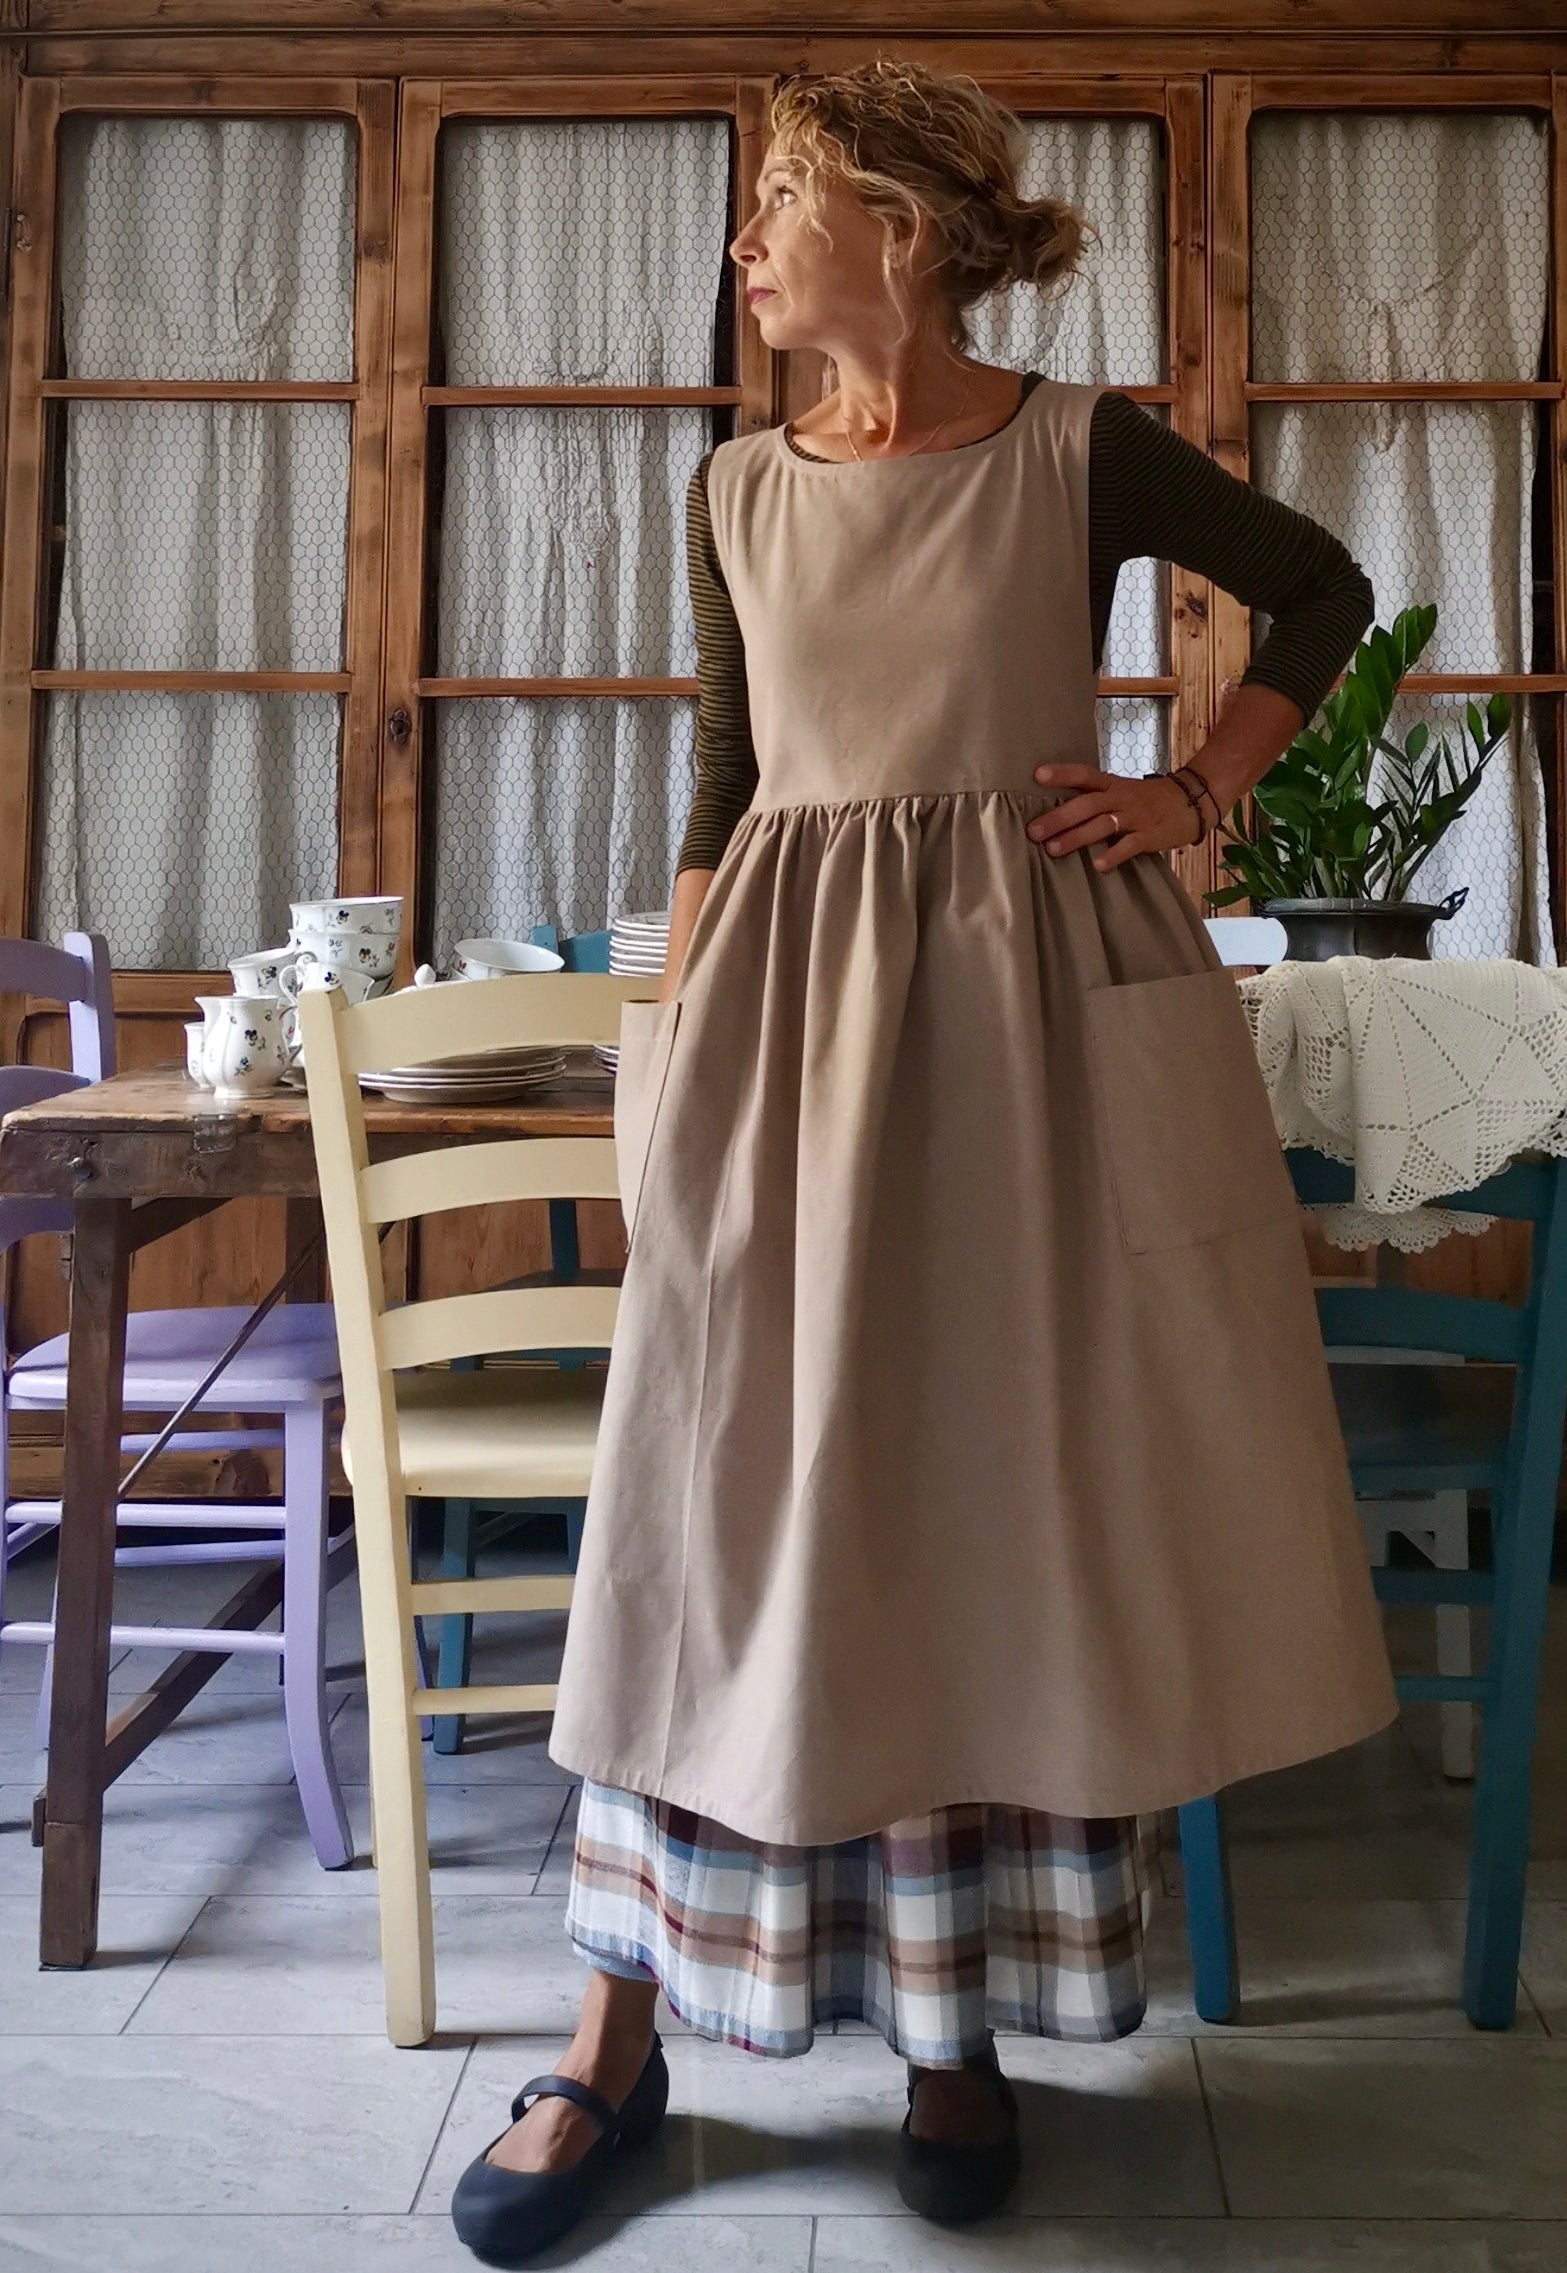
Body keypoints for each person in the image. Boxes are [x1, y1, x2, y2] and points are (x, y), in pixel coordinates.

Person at [452, 56, 1399, 2262]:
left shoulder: (1075, 449)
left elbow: (1323, 590)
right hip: (780, 1029)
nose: (744, 245)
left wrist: (1193, 794)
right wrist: (674, 1057)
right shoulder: (732, 488)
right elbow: (723, 784)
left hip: (1029, 1032)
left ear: (898, 226)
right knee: (716, 1502)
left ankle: (952, 2034)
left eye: (779, 201)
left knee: (993, 1497)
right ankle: (612, 2035)